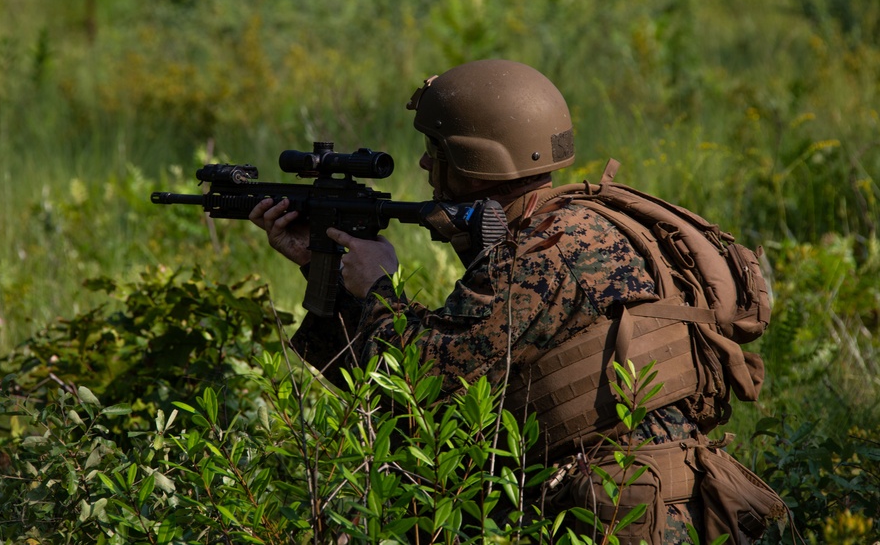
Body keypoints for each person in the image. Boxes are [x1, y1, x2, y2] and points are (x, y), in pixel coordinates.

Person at [249, 59, 777, 543]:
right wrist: (320, 268)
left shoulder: (541, 255)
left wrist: (378, 289)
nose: (426, 166)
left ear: (473, 162)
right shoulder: (586, 223)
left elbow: (422, 394)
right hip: (654, 491)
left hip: (609, 510)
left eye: (437, 152)